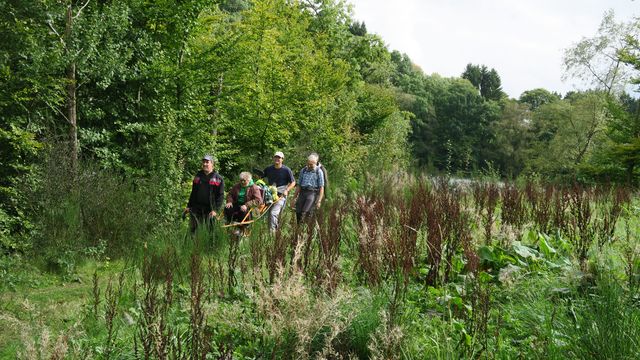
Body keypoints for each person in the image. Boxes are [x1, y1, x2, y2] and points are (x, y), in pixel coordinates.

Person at [185, 154, 225, 233]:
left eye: (207, 162)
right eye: (203, 162)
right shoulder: (198, 177)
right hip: (197, 208)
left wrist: (215, 210)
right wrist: (189, 206)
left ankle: (210, 245)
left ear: (212, 164)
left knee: (210, 232)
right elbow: (193, 193)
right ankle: (192, 245)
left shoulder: (218, 178)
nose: (205, 164)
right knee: (193, 231)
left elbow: (220, 196)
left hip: (210, 210)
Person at [263, 151, 296, 232]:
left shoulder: (286, 170)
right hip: (270, 194)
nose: (277, 159)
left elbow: (293, 182)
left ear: (282, 159)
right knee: (269, 214)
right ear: (273, 158)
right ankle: (271, 232)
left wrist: (287, 190)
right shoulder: (269, 169)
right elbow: (261, 177)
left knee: (274, 213)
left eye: (279, 157)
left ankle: (273, 233)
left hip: (281, 194)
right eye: (276, 157)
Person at [292, 153, 325, 224]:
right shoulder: (303, 170)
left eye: (311, 164)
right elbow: (299, 185)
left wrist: (319, 201)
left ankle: (306, 229)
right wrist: (294, 198)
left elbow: (321, 187)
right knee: (298, 211)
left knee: (306, 212)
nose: (309, 166)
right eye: (308, 164)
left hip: (312, 193)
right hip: (302, 192)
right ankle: (298, 228)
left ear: (315, 163)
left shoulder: (319, 172)